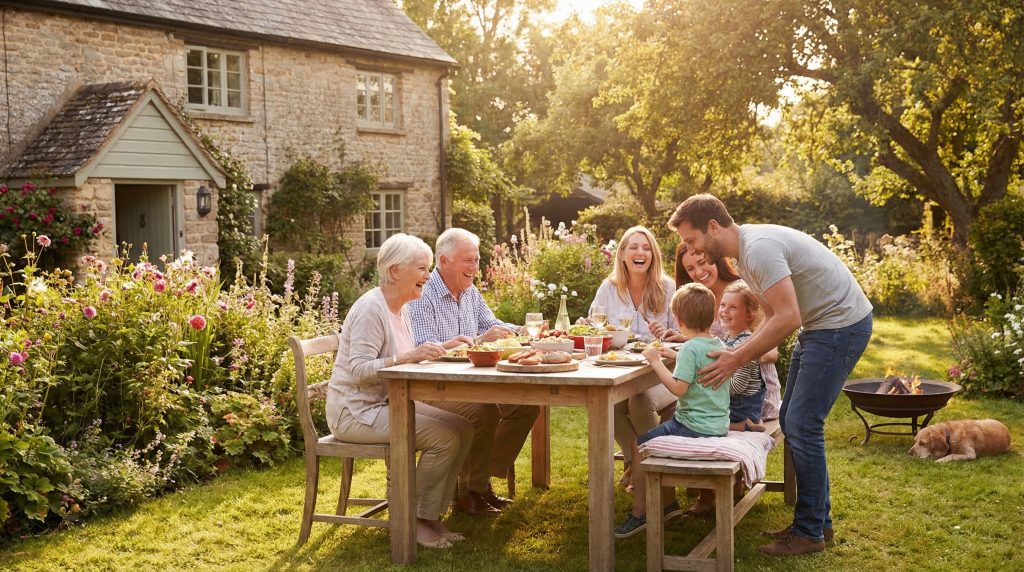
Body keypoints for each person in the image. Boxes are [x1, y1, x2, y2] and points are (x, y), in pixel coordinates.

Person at [669, 194, 873, 556]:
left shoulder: (758, 249)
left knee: (803, 423)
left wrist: (736, 357)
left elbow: (788, 316)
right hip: (820, 326)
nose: (692, 251)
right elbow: (772, 311)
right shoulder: (744, 254)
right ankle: (817, 525)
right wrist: (735, 345)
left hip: (839, 325)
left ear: (713, 227)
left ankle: (809, 531)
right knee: (791, 419)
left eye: (691, 240)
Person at [325, 233, 474, 549]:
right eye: (421, 268)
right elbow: (360, 370)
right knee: (444, 437)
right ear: (395, 271)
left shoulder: (400, 307)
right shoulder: (371, 309)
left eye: (428, 268)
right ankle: (414, 519)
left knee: (463, 427)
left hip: (388, 404)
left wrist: (443, 347)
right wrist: (407, 357)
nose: (428, 276)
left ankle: (431, 515)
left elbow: (408, 355)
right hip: (355, 413)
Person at [407, 228, 539, 516]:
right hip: (431, 390)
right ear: (443, 261)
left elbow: (491, 324)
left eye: (477, 260)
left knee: (525, 405)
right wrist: (480, 341)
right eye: (468, 261)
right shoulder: (423, 295)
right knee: (484, 411)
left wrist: (525, 331)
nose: (475, 268)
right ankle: (471, 492)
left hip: (471, 383)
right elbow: (422, 349)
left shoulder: (469, 292)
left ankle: (476, 481)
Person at [613, 283, 731, 538]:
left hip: (692, 427)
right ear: (711, 317)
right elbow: (698, 364)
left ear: (678, 319)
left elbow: (677, 389)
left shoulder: (689, 348)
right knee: (650, 436)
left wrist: (656, 362)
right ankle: (667, 504)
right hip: (717, 425)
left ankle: (641, 513)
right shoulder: (716, 343)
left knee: (640, 445)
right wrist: (671, 354)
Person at [584, 226, 677, 488]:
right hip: (620, 370)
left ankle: (647, 471)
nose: (640, 252)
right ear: (622, 254)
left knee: (640, 402)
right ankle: (641, 466)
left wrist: (668, 333)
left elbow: (684, 335)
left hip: (662, 374)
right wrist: (591, 327)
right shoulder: (609, 288)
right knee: (607, 405)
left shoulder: (668, 287)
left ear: (654, 255)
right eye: (634, 247)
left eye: (646, 248)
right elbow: (595, 327)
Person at [672, 243, 782, 422]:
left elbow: (770, 353)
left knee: (681, 407)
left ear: (715, 258)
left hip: (752, 399)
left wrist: (733, 357)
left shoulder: (743, 292)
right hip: (722, 393)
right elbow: (715, 343)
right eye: (690, 268)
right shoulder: (698, 299)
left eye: (702, 262)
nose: (698, 272)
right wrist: (689, 338)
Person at [719, 280, 769, 433]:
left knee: (699, 419)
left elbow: (738, 386)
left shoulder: (746, 344)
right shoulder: (729, 337)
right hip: (736, 406)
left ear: (749, 315)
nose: (725, 311)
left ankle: (742, 425)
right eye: (723, 305)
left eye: (733, 307)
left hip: (741, 408)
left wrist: (708, 386)